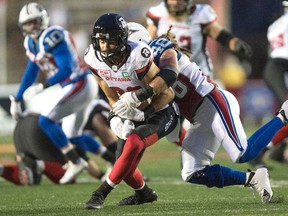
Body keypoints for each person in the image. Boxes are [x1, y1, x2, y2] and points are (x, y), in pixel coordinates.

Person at [122, 22, 288, 204]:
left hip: (211, 101)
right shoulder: (139, 67)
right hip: (198, 116)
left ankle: (284, 115)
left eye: (127, 48)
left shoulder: (159, 50)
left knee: (243, 153)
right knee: (192, 172)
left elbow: (167, 78)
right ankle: (253, 179)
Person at [83, 13, 179, 209]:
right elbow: (110, 95)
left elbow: (168, 94)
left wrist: (142, 106)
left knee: (134, 142)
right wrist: (115, 116)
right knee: (124, 166)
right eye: (101, 41)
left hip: (160, 112)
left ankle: (100, 193)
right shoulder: (93, 59)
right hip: (130, 112)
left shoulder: (138, 56)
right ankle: (144, 194)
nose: (104, 47)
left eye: (110, 42)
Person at [9, 2, 100, 184]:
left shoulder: (53, 35)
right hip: (71, 85)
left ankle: (75, 161)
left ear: (43, 21)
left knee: (46, 120)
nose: (32, 26)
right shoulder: (31, 43)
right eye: (28, 23)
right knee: (72, 134)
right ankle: (110, 159)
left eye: (35, 22)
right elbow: (31, 70)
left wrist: (42, 86)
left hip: (79, 82)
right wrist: (17, 99)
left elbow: (66, 69)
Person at [146, 0, 252, 78]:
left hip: (199, 74)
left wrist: (235, 43)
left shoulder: (200, 14)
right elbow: (147, 40)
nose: (175, 3)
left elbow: (221, 36)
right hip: (169, 71)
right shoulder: (158, 13)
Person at [0, 113, 115, 185]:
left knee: (74, 156)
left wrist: (101, 175)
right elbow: (79, 154)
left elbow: (80, 156)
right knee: (66, 174)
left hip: (30, 130)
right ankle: (34, 165)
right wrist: (101, 175)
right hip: (27, 123)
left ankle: (7, 169)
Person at [252, 0, 288, 166]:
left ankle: (278, 151)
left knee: (285, 115)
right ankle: (259, 151)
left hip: (274, 68)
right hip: (279, 67)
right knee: (286, 114)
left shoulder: (275, 25)